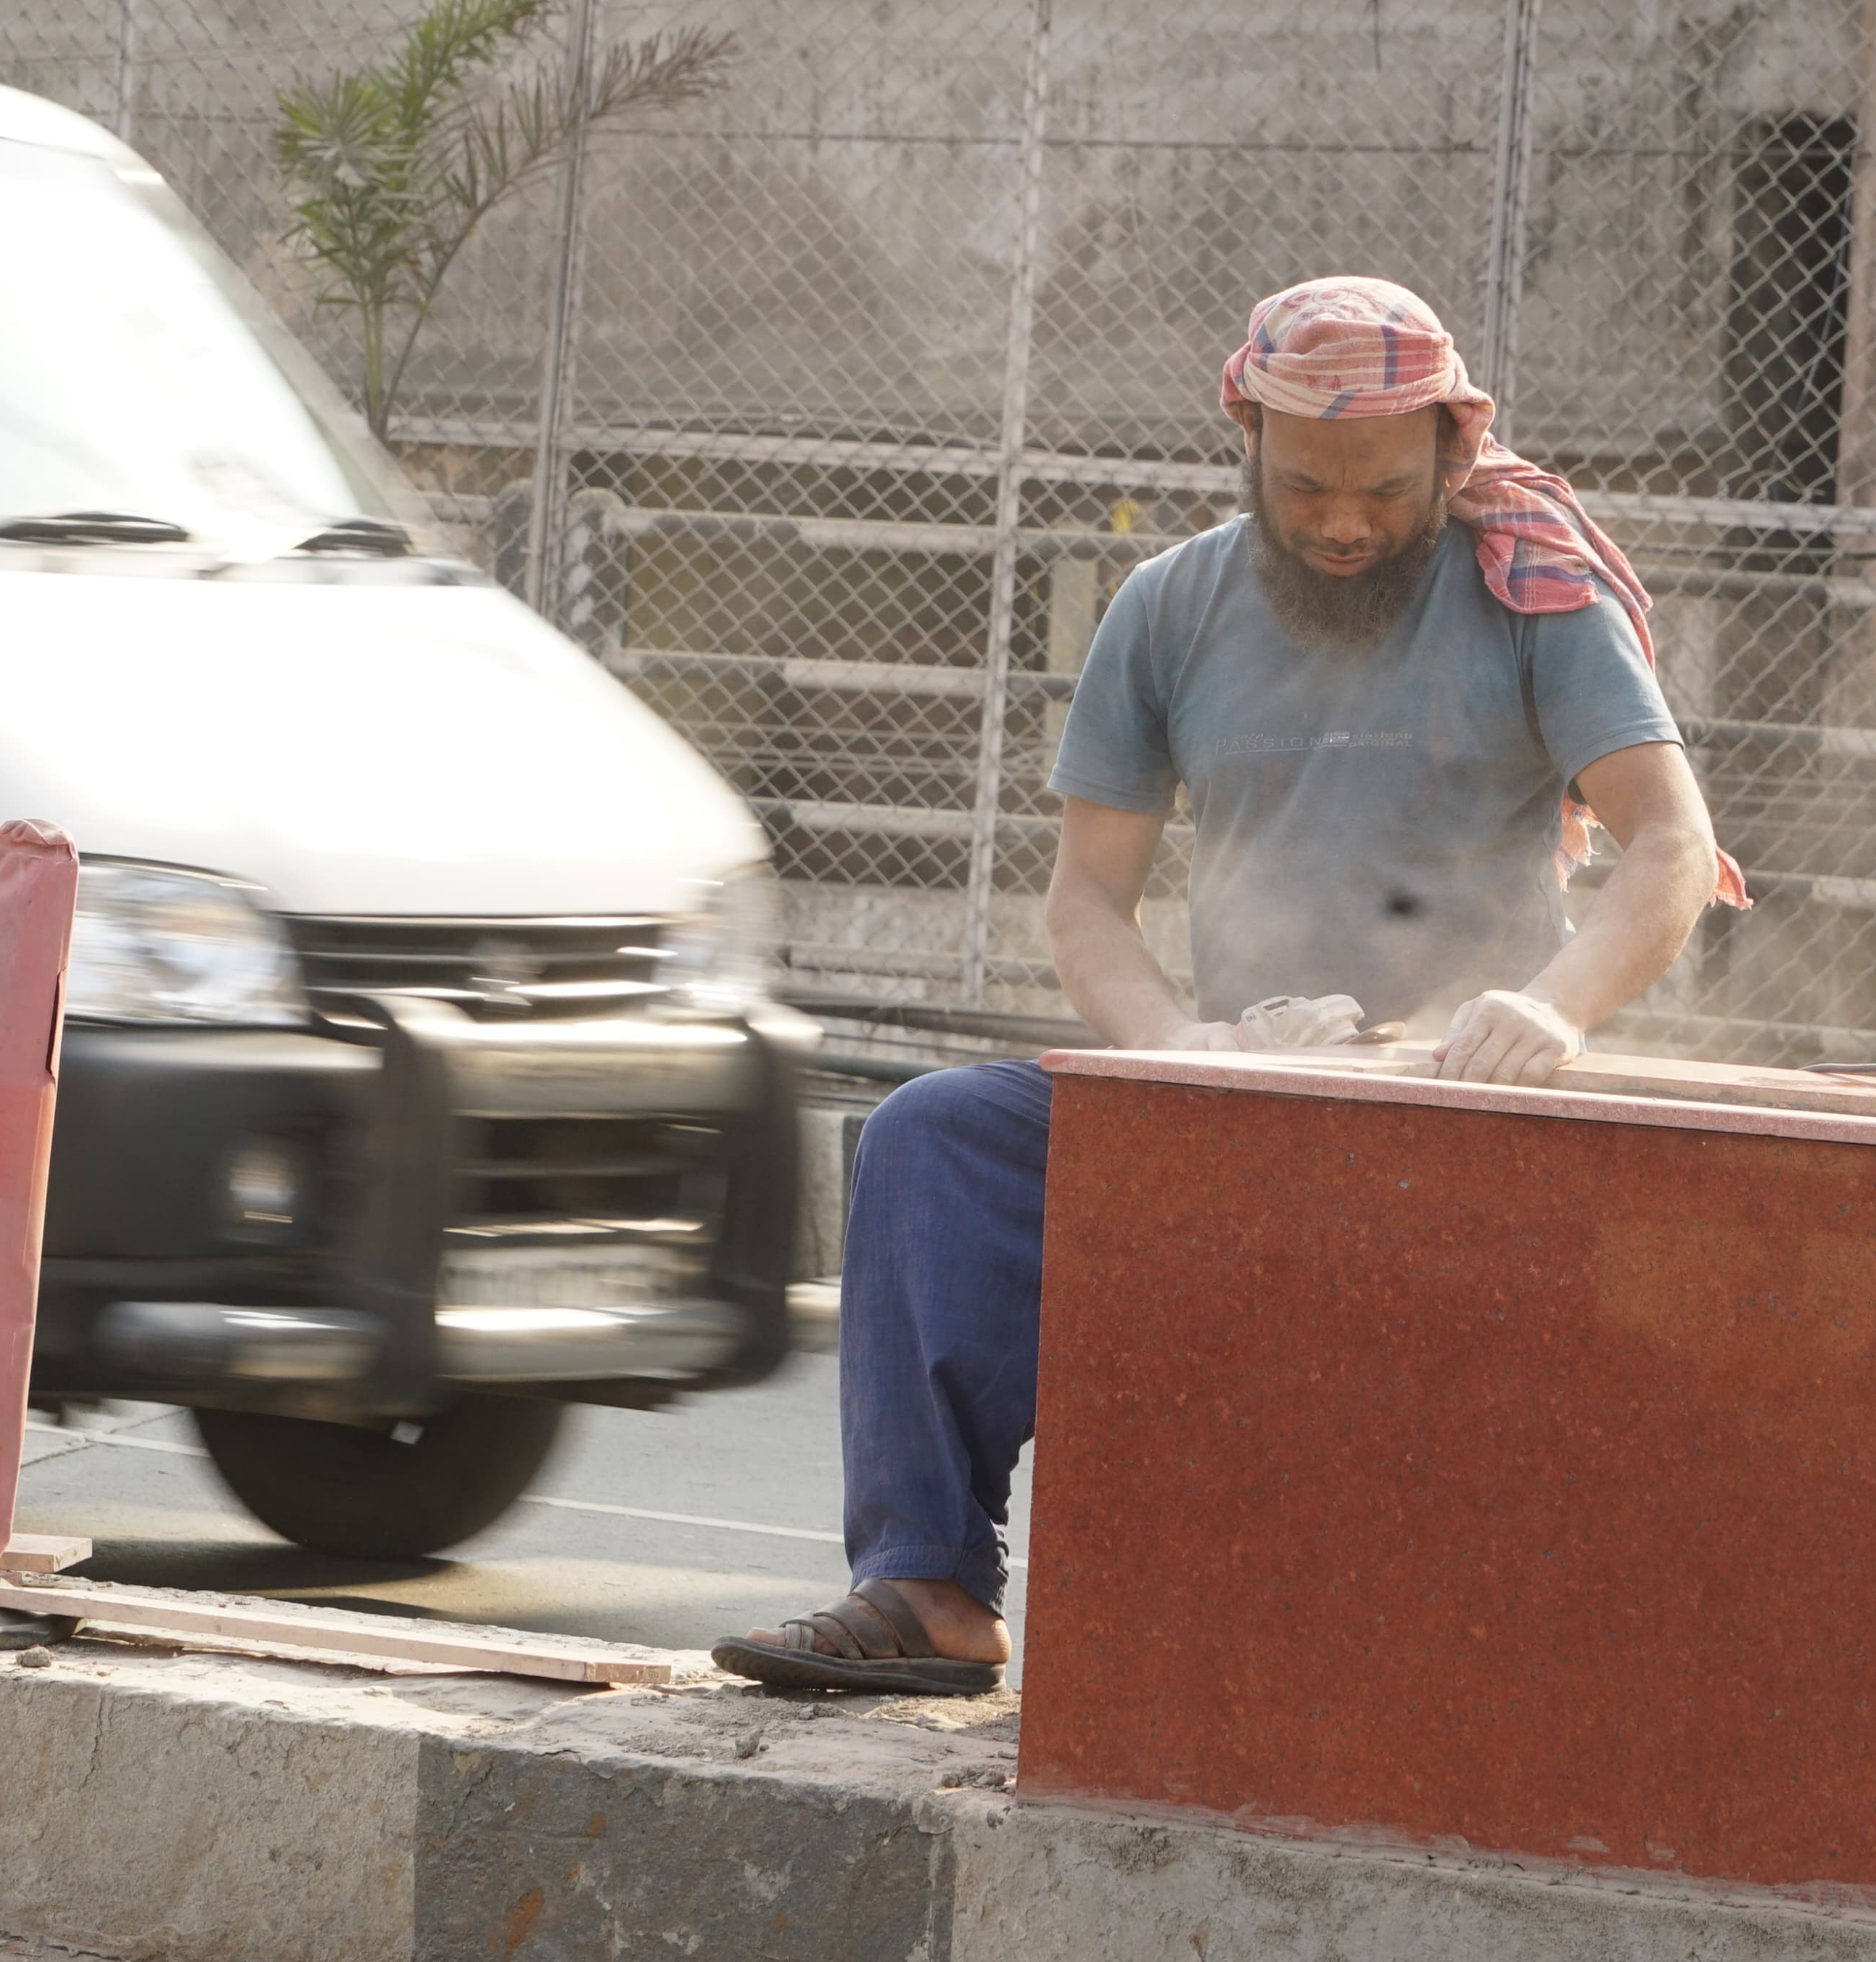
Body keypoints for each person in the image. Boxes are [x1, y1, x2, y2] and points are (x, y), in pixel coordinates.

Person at [711, 275, 1747, 1694]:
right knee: (932, 1139)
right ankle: (932, 1588)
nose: (1340, 521)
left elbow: (1670, 846)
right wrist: (1175, 1046)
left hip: (1462, 1102)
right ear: (1245, 438)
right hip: (1229, 1097)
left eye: (1382, 490)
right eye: (1303, 483)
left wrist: (1552, 1011)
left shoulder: (1535, 599)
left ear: (1451, 451)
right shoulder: (1168, 606)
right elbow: (1086, 899)